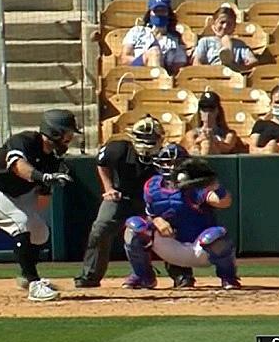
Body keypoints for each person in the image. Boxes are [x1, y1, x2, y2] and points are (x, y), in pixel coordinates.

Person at [0, 109, 79, 302]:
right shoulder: (25, 140)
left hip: (12, 195)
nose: (70, 138)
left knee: (40, 232)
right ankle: (34, 283)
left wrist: (45, 189)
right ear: (55, 132)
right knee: (20, 223)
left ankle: (25, 275)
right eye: (67, 133)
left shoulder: (53, 160)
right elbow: (18, 166)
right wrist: (43, 177)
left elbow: (42, 199)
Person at [74, 114, 192, 288]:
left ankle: (181, 274)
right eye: (144, 137)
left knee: (171, 227)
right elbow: (102, 163)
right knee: (100, 228)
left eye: (151, 138)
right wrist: (108, 188)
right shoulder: (118, 149)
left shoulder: (167, 154)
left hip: (155, 200)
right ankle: (91, 275)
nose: (147, 143)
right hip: (122, 197)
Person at [122, 144, 240, 290]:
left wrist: (216, 186)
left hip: (200, 247)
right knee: (134, 228)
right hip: (171, 244)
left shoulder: (194, 186)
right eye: (166, 162)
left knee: (217, 236)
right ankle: (143, 277)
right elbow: (150, 214)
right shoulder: (152, 185)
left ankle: (228, 278)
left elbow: (223, 202)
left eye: (175, 163)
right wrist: (157, 220)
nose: (171, 167)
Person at [119, 0, 188, 75]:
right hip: (136, 73)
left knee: (156, 54)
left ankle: (156, 82)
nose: (159, 14)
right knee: (154, 52)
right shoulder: (137, 31)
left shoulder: (174, 39)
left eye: (162, 11)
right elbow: (124, 59)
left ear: (168, 14)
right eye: (156, 11)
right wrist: (145, 59)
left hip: (165, 75)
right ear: (150, 13)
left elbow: (178, 67)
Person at [191, 6, 258, 72]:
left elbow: (253, 60)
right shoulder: (205, 42)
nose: (225, 26)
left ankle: (228, 58)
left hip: (231, 77)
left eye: (229, 24)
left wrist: (242, 66)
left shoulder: (239, 44)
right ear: (214, 24)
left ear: (234, 26)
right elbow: (196, 63)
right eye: (222, 22)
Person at [182, 90, 239, 155]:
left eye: (211, 109)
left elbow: (227, 147)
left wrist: (212, 139)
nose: (207, 113)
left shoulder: (228, 134)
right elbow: (190, 147)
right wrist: (199, 140)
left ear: (217, 111)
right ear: (200, 112)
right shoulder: (192, 134)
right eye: (204, 109)